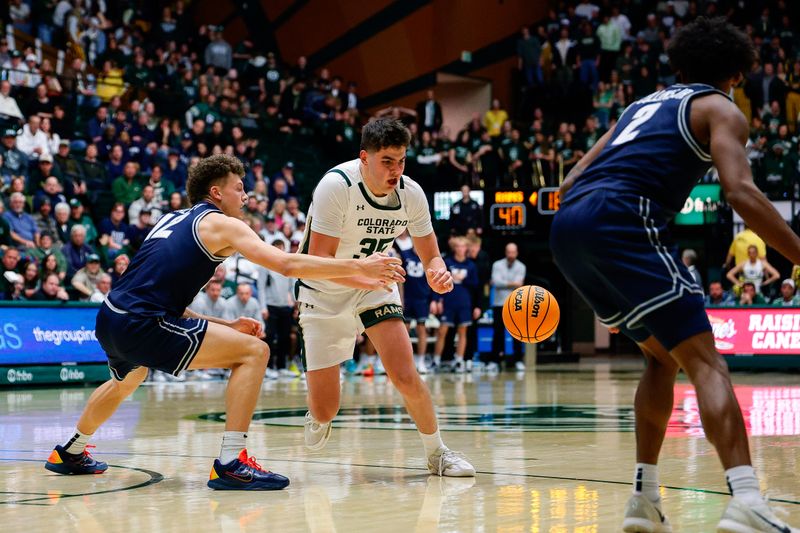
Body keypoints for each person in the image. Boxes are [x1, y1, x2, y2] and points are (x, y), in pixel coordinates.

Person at [550, 18, 797, 532]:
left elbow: (571, 179)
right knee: (708, 364)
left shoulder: (641, 105)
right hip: (624, 220)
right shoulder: (719, 108)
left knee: (661, 359)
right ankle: (747, 500)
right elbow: (741, 194)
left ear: (681, 63)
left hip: (569, 230)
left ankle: (644, 500)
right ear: (735, 72)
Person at [44, 154, 403, 490]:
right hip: (141, 322)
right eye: (239, 188)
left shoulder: (171, 219)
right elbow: (287, 264)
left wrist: (226, 327)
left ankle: (70, 451)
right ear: (216, 192)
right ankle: (232, 461)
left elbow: (160, 297)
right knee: (254, 352)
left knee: (127, 380)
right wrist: (357, 266)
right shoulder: (222, 225)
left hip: (111, 318)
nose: (245, 196)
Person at [297, 118, 475, 477]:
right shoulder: (336, 185)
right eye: (387, 161)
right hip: (325, 289)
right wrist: (364, 270)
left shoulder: (411, 193)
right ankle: (317, 414)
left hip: (375, 283)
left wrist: (437, 273)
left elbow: (431, 253)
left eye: (401, 160)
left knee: (405, 374)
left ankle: (437, 452)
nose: (396, 170)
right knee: (326, 409)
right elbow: (319, 262)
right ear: (365, 158)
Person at [432, 236, 479, 373]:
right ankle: (436, 360)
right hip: (448, 301)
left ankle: (459, 361)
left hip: (464, 302)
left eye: (463, 246)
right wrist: (437, 299)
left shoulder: (470, 265)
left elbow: (475, 286)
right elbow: (438, 282)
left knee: (462, 331)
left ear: (466, 248)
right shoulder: (447, 262)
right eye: (458, 246)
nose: (460, 249)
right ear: (454, 248)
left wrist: (463, 280)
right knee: (442, 331)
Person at [395, 230, 434, 374]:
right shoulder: (404, 255)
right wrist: (400, 299)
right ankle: (404, 362)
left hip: (422, 300)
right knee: (403, 332)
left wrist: (434, 299)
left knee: (421, 330)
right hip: (407, 299)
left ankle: (421, 361)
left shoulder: (428, 259)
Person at [489, 243, 527, 372]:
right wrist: (512, 284)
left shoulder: (521, 266)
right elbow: (496, 282)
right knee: (498, 333)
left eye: (513, 252)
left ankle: (518, 360)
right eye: (509, 252)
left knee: (517, 333)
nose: (511, 255)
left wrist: (505, 284)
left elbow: (519, 284)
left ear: (516, 253)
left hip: (515, 304)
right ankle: (495, 360)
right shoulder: (497, 265)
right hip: (499, 304)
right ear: (505, 252)